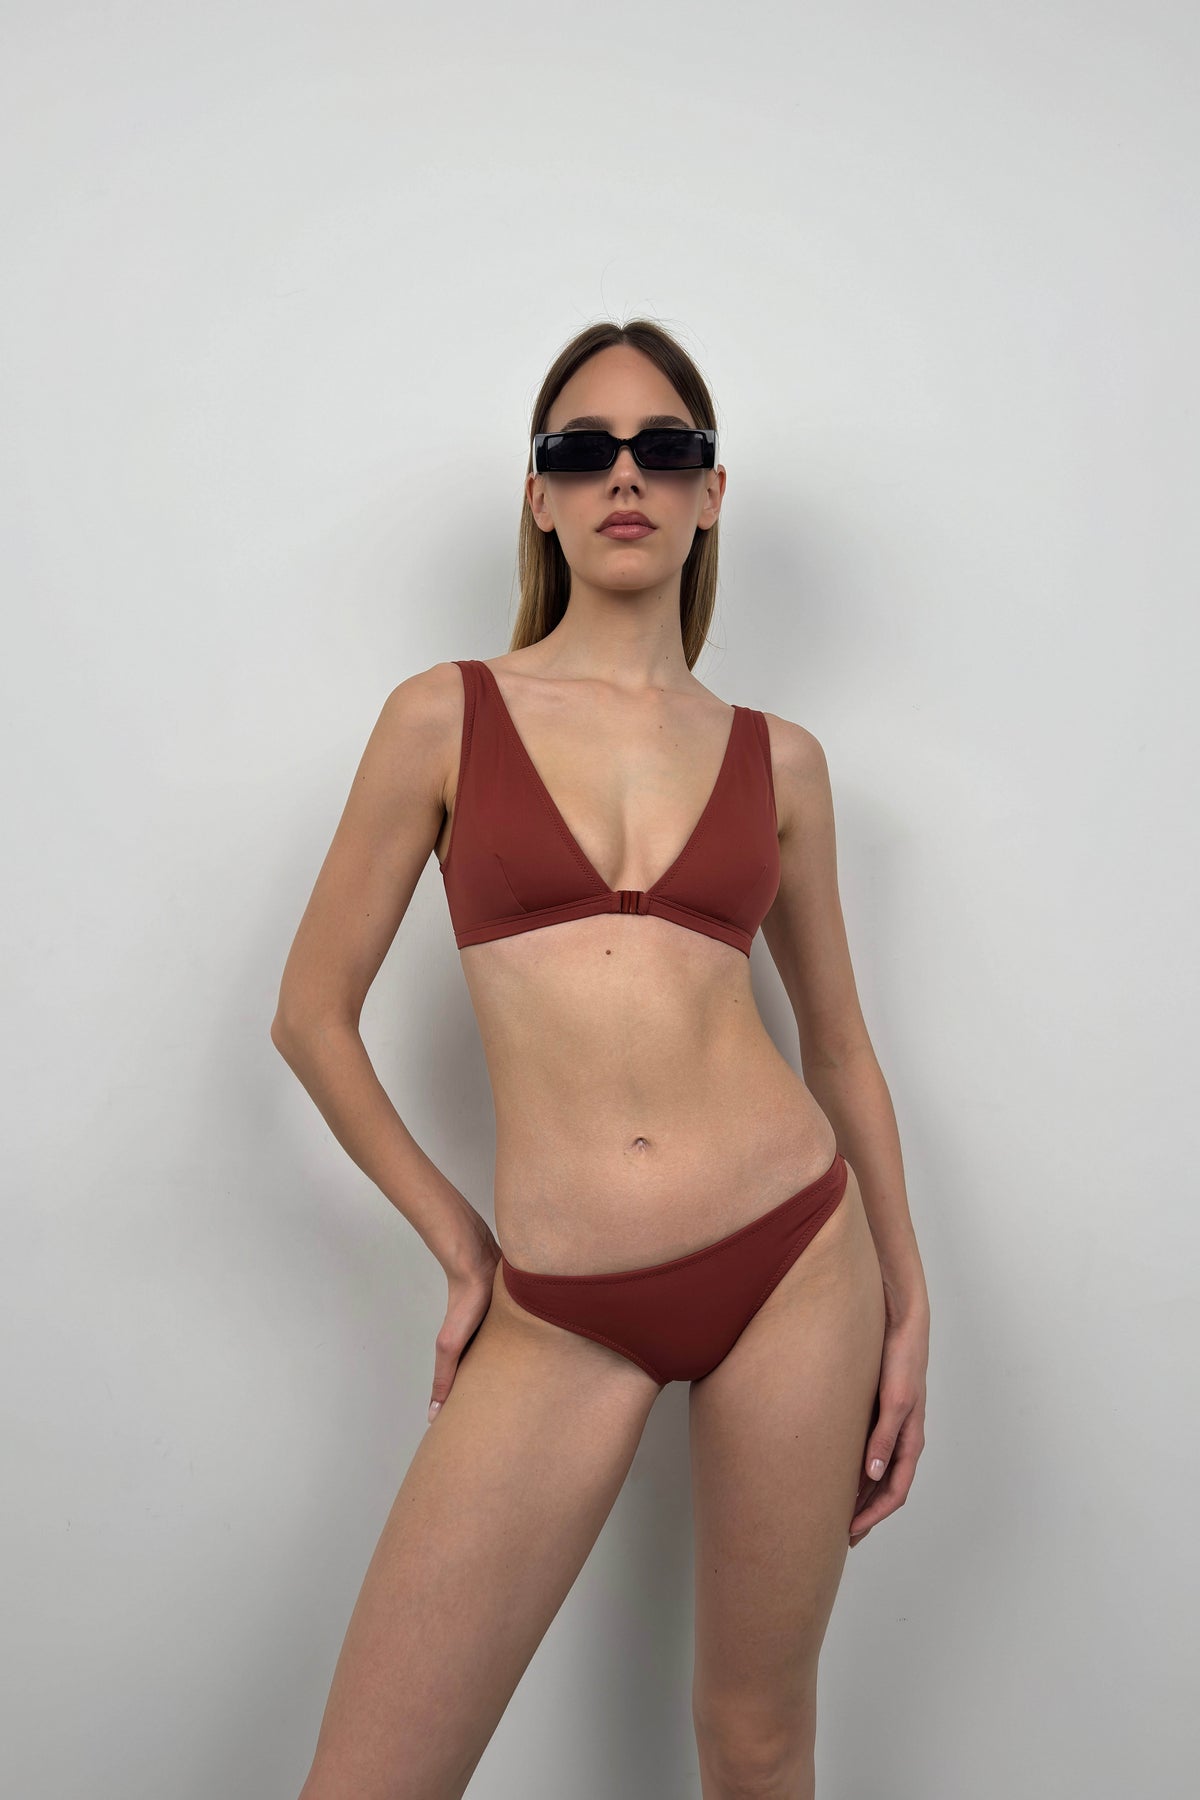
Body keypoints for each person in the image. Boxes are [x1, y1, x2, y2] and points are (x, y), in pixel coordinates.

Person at [272, 318, 930, 1800]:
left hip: (797, 1262)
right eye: (584, 449)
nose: (624, 475)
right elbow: (310, 1013)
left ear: (710, 493)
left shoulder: (785, 760)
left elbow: (841, 1052)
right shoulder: (443, 716)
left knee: (757, 1742)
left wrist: (910, 1301)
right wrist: (461, 1247)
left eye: (663, 448)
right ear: (540, 495)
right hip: (561, 1304)